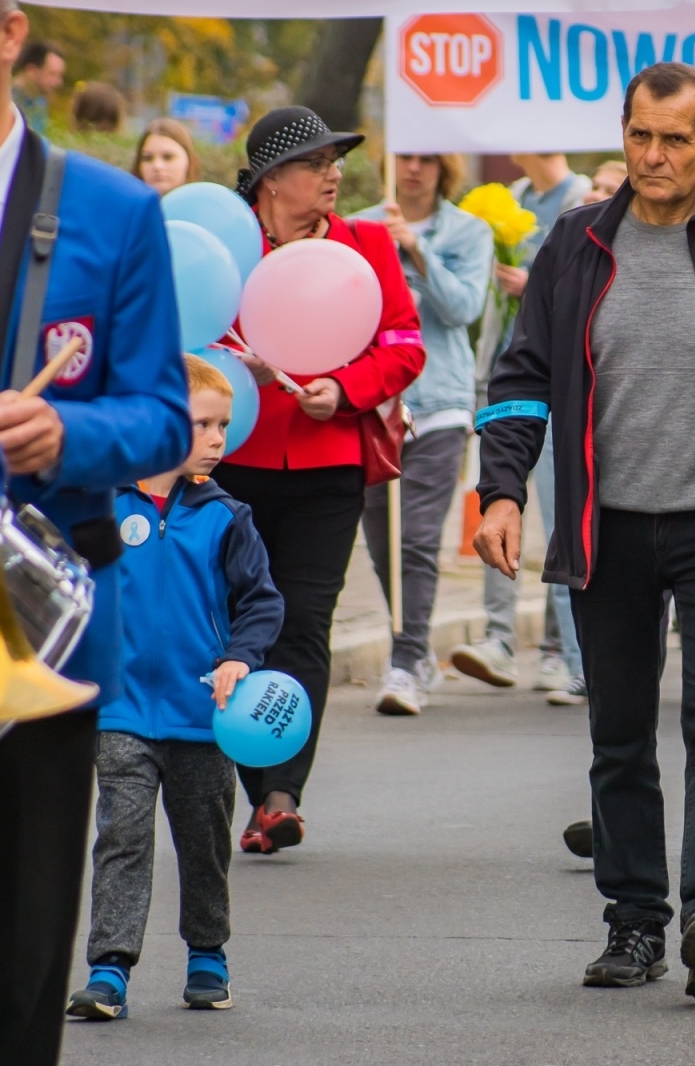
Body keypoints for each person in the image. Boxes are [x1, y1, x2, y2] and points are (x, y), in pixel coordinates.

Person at [474, 61, 695, 1000]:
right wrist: (501, 492)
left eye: (675, 139)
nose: (653, 155)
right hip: (609, 530)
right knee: (619, 733)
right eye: (640, 135)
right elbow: (520, 376)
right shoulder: (575, 243)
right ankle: (634, 922)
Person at [0, 1, 192, 1061]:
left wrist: (71, 433)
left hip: (37, 624)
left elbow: (164, 416)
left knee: (17, 972)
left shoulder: (112, 211)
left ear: (8, 33)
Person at [217, 106, 424, 852]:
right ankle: (253, 784)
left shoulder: (366, 245)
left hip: (329, 464)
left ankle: (280, 794)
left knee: (303, 620)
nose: (333, 174)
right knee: (237, 624)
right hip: (228, 465)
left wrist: (344, 387)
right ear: (271, 180)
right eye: (315, 162)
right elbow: (185, 336)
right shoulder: (223, 244)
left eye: (336, 160)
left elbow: (404, 344)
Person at [66, 355, 282, 1022]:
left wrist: (239, 658)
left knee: (204, 843)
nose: (217, 439)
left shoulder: (228, 516)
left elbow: (262, 603)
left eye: (223, 426)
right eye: (201, 425)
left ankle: (207, 954)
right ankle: (109, 969)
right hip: (121, 710)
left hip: (203, 714)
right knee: (121, 838)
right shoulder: (102, 505)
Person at [353, 153, 494, 715]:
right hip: (373, 405)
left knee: (415, 537)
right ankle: (414, 644)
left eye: (425, 160)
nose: (412, 168)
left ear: (443, 167)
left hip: (439, 404)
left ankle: (406, 661)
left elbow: (463, 308)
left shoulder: (468, 231)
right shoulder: (358, 227)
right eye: (404, 158)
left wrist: (415, 247)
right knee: (382, 540)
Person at [451, 149, 589, 699]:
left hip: (561, 392)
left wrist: (532, 284)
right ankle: (500, 639)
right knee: (496, 503)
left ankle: (565, 653)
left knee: (560, 520)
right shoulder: (510, 201)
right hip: (506, 383)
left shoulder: (581, 201)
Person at [131, 117, 198, 197]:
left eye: (168, 157)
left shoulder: (206, 203)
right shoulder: (125, 203)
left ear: (190, 161)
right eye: (147, 158)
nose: (157, 166)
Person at [10, 38, 61, 132]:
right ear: (31, 71)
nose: (59, 82)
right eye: (52, 74)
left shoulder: (40, 103)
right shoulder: (5, 103)